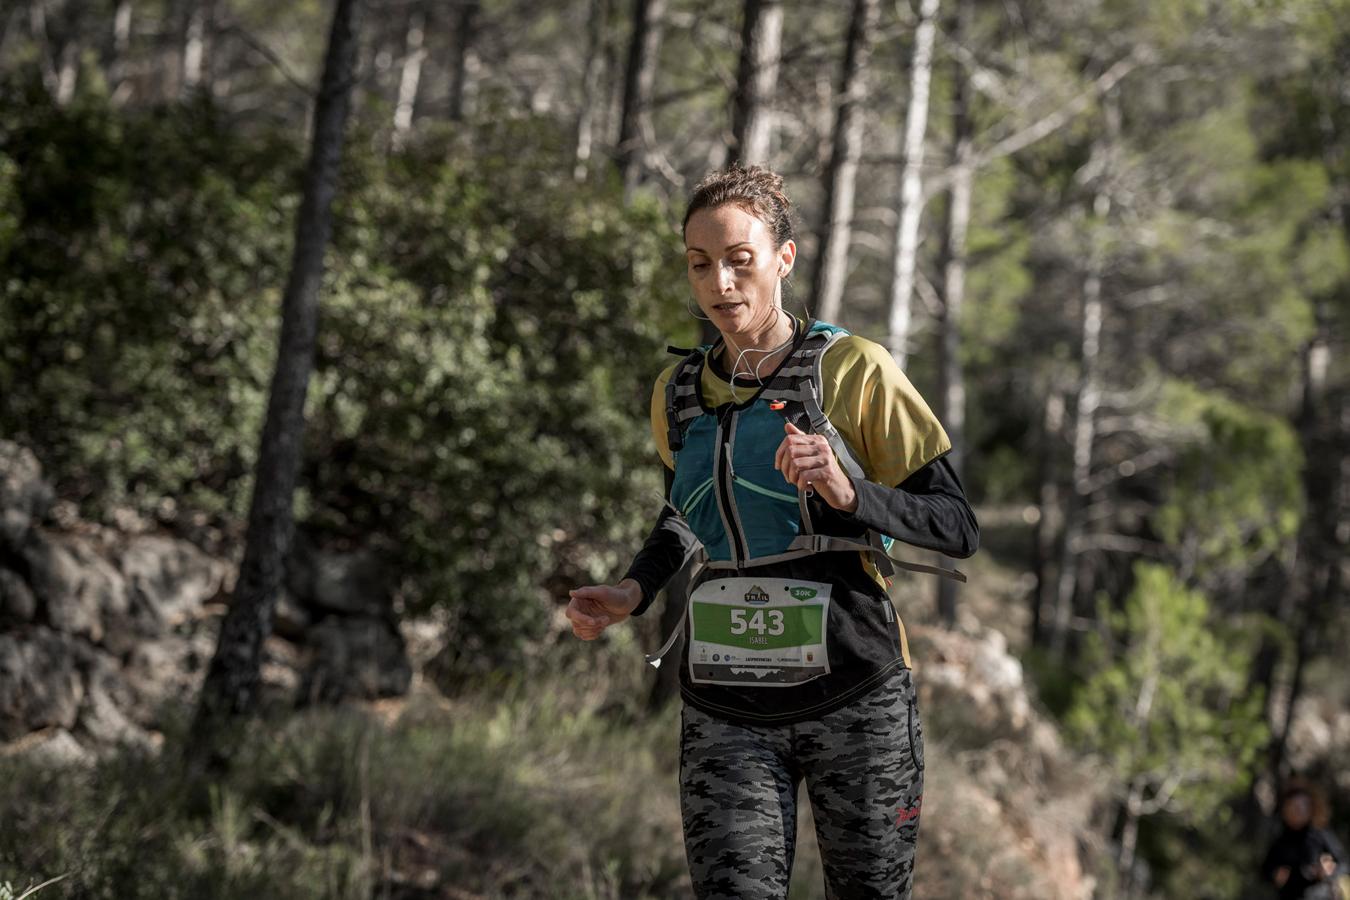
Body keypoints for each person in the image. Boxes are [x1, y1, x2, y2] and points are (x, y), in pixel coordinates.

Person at [565, 164, 979, 900]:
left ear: (783, 260)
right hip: (727, 709)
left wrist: (851, 492)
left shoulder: (856, 371)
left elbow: (955, 525)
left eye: (738, 260)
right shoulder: (678, 394)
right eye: (700, 265)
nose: (719, 282)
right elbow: (686, 514)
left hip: (856, 699)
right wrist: (634, 588)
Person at [1261, 780, 1350, 900]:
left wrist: (1330, 870)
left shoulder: (1320, 834)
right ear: (1285, 809)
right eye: (1296, 807)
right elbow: (1264, 871)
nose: (1300, 811)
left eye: (1305, 806)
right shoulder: (1279, 839)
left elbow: (1344, 864)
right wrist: (1275, 876)